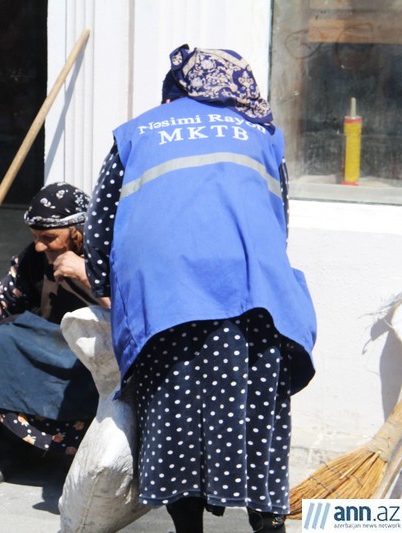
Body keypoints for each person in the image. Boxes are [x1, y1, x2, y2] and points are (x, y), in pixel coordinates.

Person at [84, 45, 317, 532]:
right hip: (255, 303)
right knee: (258, 425)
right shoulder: (261, 135)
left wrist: (106, 288)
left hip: (168, 302)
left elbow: (101, 224)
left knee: (175, 425)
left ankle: (188, 526)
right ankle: (266, 520)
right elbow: (279, 224)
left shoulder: (140, 131)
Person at [0, 182, 106, 487]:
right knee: (1, 341)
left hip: (94, 351)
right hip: (47, 343)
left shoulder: (111, 255)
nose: (40, 246)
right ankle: (8, 451)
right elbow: (1, 303)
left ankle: (87, 457)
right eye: (35, 238)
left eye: (48, 238)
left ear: (78, 230)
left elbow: (136, 311)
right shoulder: (34, 258)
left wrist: (86, 273)